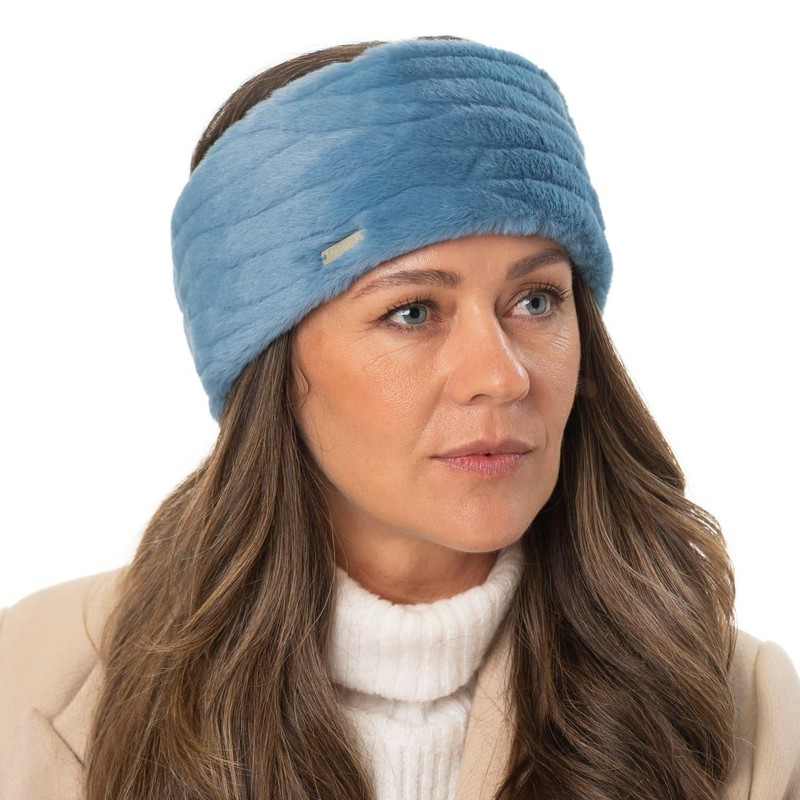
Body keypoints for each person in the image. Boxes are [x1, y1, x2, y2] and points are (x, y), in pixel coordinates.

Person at [1, 35, 798, 800]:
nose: (501, 375)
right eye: (413, 311)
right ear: (267, 362)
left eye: (535, 301)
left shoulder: (748, 713)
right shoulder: (32, 687)